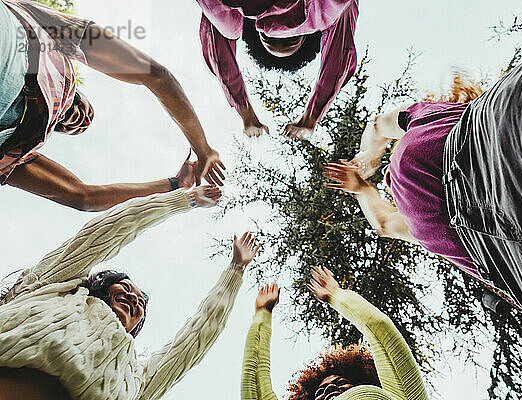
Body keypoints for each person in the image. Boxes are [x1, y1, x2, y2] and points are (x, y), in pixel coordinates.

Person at [326, 18, 522, 381]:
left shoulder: (433, 116)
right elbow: (383, 224)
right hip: (504, 258)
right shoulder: (416, 223)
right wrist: (363, 188)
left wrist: (370, 156)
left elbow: (377, 126)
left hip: (487, 148)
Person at [0, 185, 262, 400]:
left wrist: (235, 270)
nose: (134, 298)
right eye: (125, 287)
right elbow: (110, 230)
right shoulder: (54, 288)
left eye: (140, 306)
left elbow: (195, 339)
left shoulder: (134, 377)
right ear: (100, 285)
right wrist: (184, 199)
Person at [0, 0, 226, 212]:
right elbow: (157, 75)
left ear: (56, 128)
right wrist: (202, 147)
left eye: (73, 125)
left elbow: (84, 197)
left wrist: (175, 184)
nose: (81, 119)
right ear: (75, 90)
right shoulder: (42, 29)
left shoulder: (18, 152)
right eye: (80, 106)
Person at [241, 267, 428, 400]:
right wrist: (262, 315)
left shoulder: (399, 396)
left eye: (340, 382)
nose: (330, 388)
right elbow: (255, 389)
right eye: (319, 393)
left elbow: (381, 330)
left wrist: (337, 295)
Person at [197, 0, 358, 139]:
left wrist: (245, 112)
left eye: (268, 38)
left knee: (226, 27)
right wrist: (311, 117)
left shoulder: (235, 16)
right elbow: (339, 57)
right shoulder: (323, 14)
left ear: (256, 30)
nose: (279, 32)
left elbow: (219, 52)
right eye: (292, 39)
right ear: (306, 35)